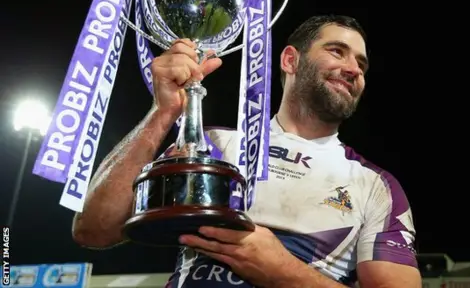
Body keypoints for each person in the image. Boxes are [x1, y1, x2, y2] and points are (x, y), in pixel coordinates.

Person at [72, 15, 422, 288]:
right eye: (337, 51)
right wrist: (163, 113)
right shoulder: (213, 146)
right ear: (290, 60)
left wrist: (282, 272)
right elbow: (94, 229)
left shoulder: (376, 187)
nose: (353, 70)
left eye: (361, 64)